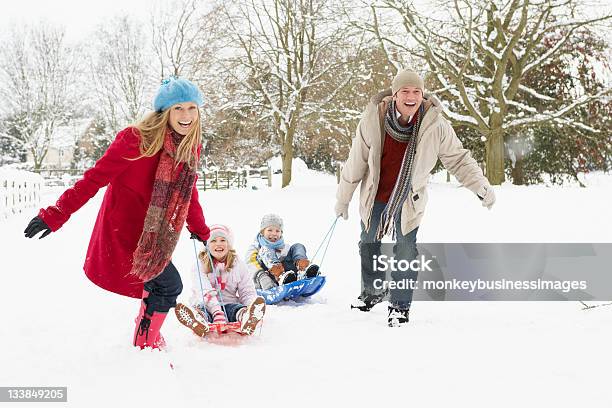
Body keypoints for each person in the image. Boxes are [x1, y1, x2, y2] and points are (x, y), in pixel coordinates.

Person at [23, 77, 211, 349]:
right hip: (124, 231)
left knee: (161, 285)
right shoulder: (135, 140)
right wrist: (55, 214)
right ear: (165, 111)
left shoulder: (187, 147)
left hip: (154, 234)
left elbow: (188, 193)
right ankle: (145, 341)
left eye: (192, 108)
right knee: (169, 285)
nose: (186, 116)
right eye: (178, 108)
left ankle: (145, 332)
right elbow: (94, 179)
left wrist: (201, 229)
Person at [334, 69, 496, 327]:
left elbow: (458, 158)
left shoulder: (435, 124)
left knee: (406, 249)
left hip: (409, 199)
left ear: (422, 94)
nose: (411, 97)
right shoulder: (373, 120)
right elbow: (356, 162)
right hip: (375, 195)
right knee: (367, 244)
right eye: (405, 91)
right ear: (395, 94)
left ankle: (399, 305)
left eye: (416, 92)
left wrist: (480, 185)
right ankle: (373, 292)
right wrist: (343, 199)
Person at [175, 224, 266, 336]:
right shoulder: (199, 266)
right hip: (206, 304)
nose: (218, 244)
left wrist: (250, 305)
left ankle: (247, 317)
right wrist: (217, 312)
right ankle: (198, 321)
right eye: (213, 240)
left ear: (229, 244)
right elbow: (204, 290)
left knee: (236, 309)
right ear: (207, 245)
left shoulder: (238, 265)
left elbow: (247, 291)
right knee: (202, 310)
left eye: (223, 240)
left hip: (228, 304)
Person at [246, 213, 320, 290]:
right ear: (262, 232)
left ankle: (304, 270)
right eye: (270, 230)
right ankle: (280, 276)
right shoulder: (255, 247)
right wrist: (262, 277)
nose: (274, 233)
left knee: (297, 246)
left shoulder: (285, 247)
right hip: (267, 278)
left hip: (288, 276)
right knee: (266, 249)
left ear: (281, 233)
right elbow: (250, 264)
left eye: (277, 231)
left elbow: (289, 261)